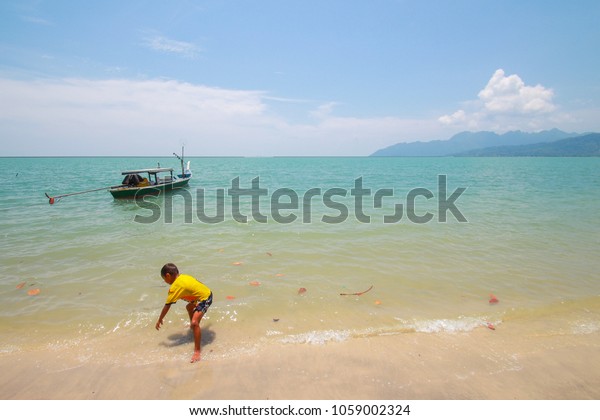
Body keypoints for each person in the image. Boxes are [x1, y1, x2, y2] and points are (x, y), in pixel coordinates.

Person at [155, 263, 213, 363]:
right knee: (189, 307)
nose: (165, 282)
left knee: (195, 323)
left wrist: (160, 319)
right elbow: (198, 283)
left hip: (205, 298)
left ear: (168, 275)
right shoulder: (184, 276)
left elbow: (167, 305)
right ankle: (193, 327)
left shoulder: (175, 287)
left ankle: (197, 351)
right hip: (200, 295)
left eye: (164, 279)